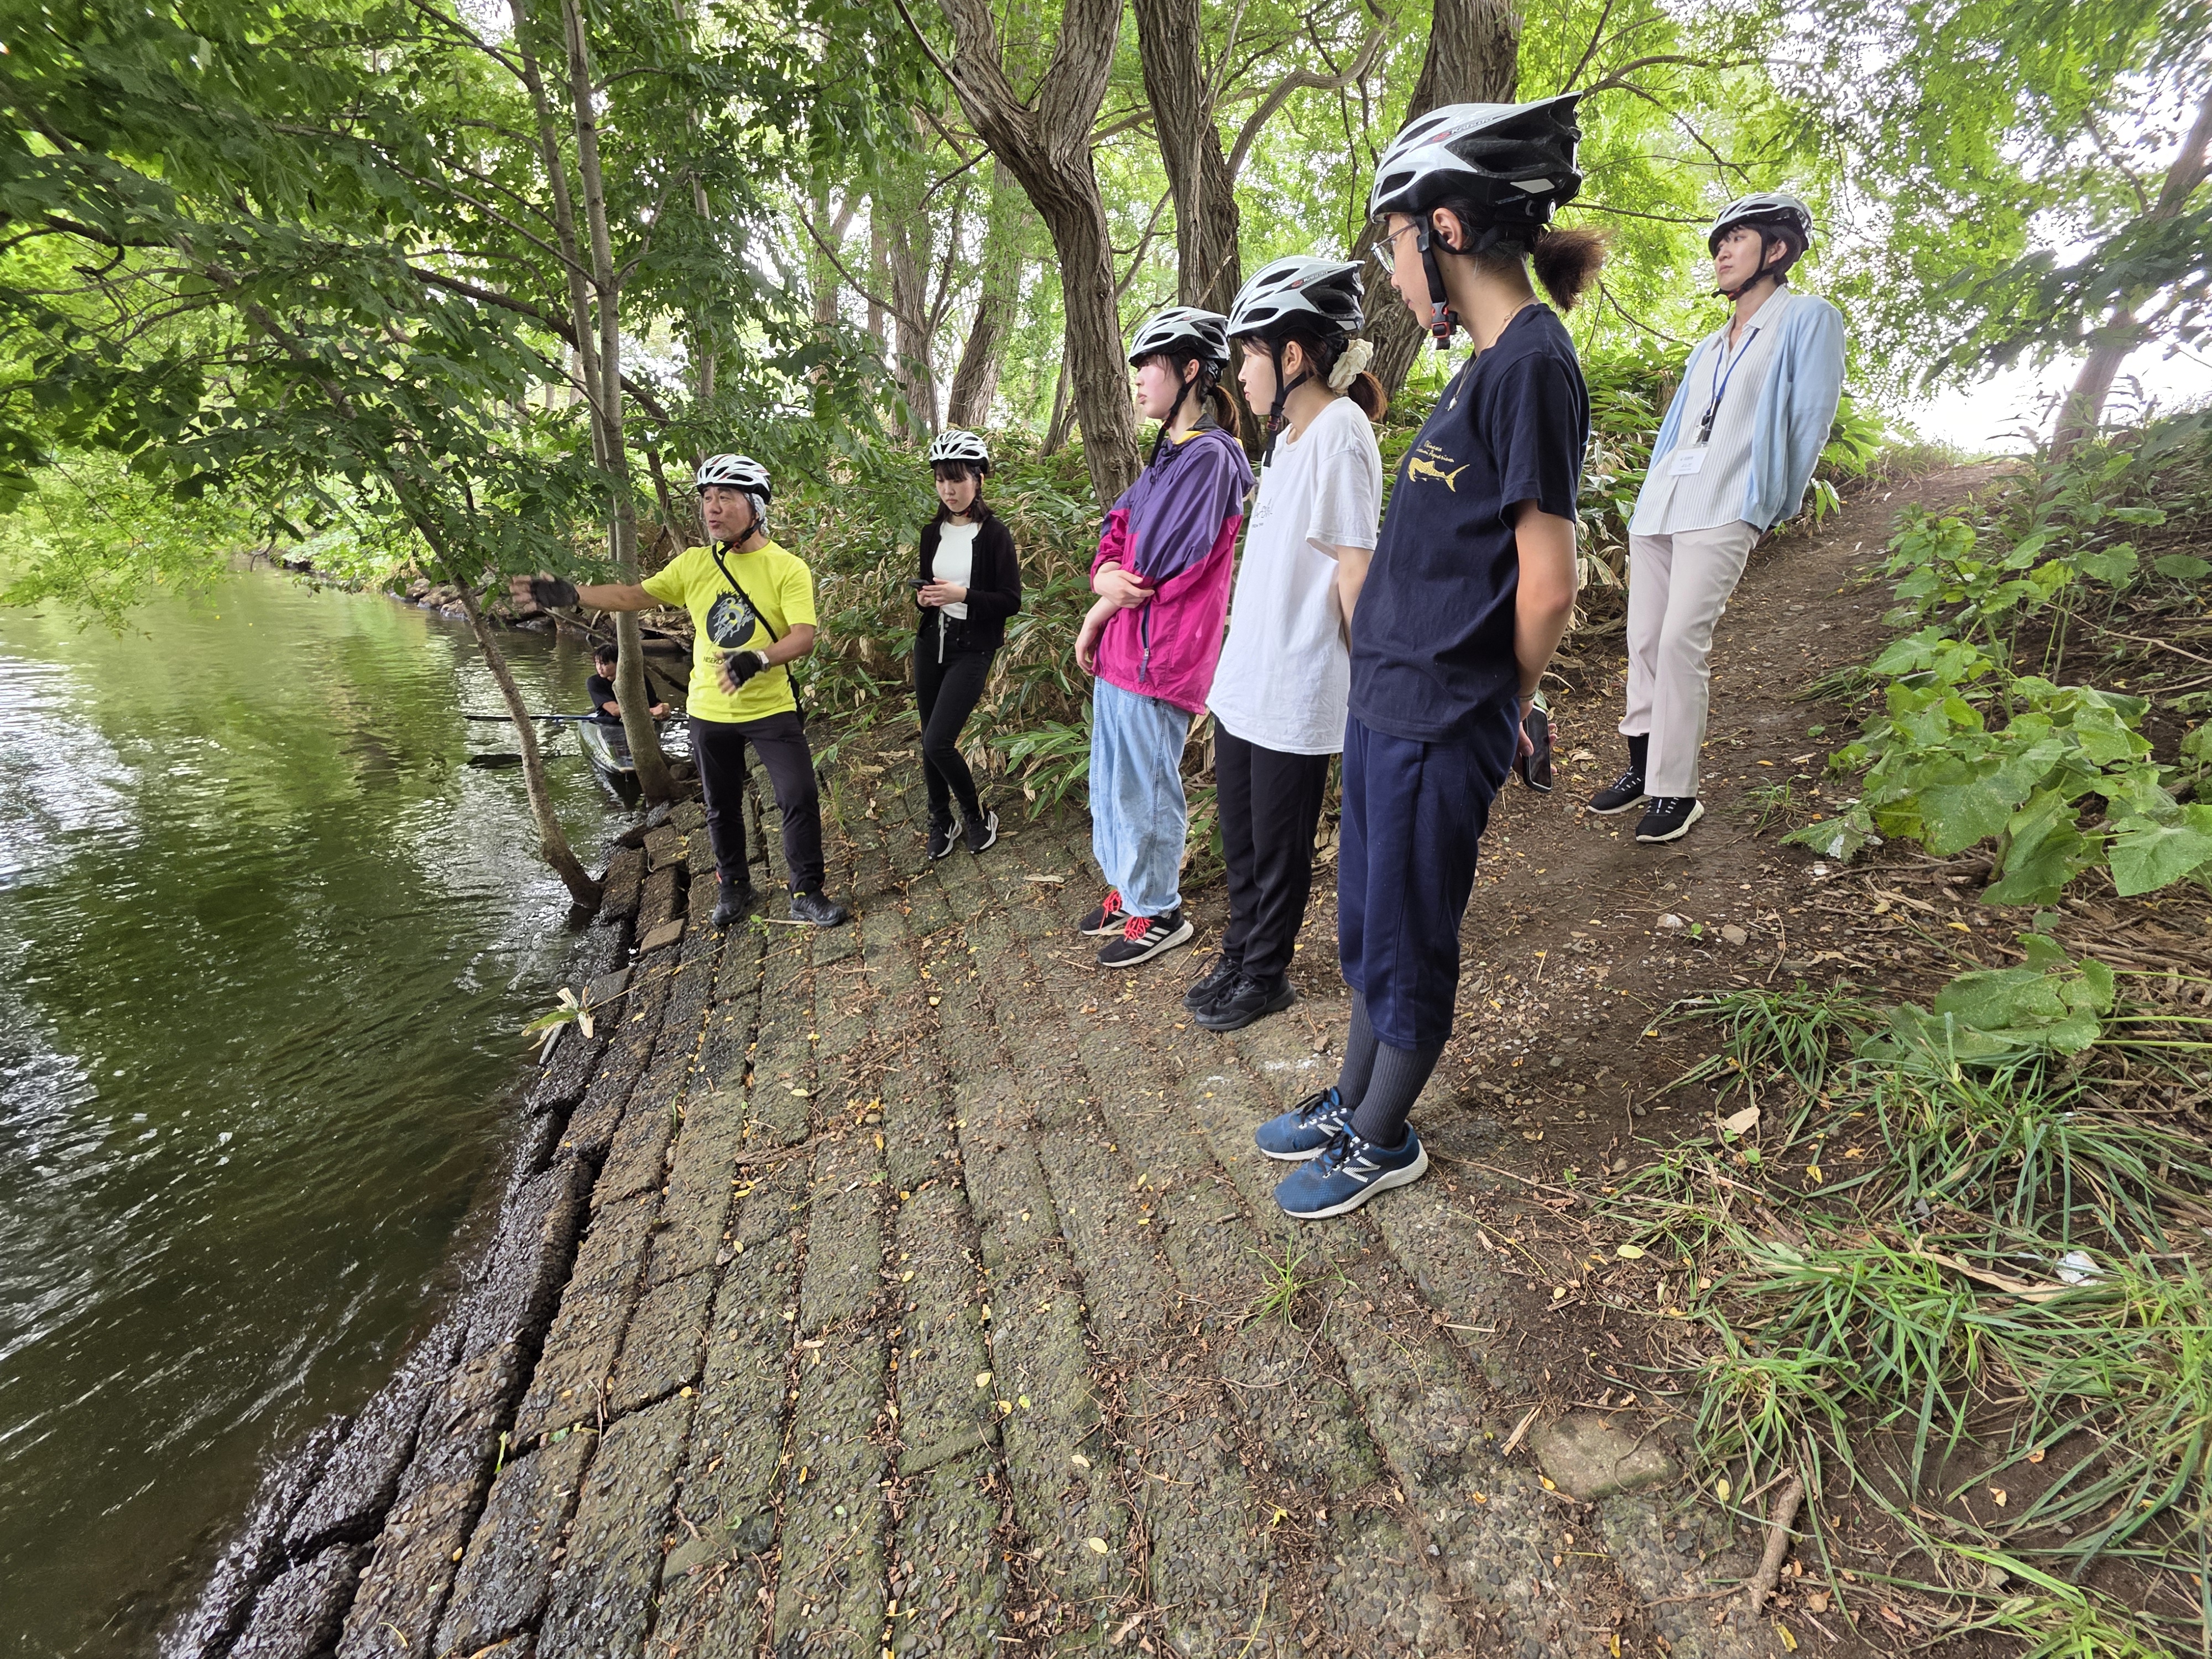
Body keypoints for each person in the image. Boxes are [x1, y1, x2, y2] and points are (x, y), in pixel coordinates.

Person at [1252, 95, 1601, 1218]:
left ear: (1442, 228)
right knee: (1370, 917)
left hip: (1442, 708)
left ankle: (1382, 1133)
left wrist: (1503, 706)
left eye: (1391, 241)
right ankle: (1351, 1097)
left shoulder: (1533, 365)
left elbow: (1549, 579)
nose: (1390, 272)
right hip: (1391, 698)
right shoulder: (1481, 365)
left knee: (1408, 928)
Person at [1589, 192, 1846, 843]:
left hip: (1729, 502)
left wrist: (1775, 504)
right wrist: (1645, 497)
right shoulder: (1708, 344)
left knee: (1681, 641)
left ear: (1778, 249)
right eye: (1718, 243)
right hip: (1663, 506)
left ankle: (1677, 790)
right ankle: (1641, 767)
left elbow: (1810, 417)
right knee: (1645, 639)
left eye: (1736, 239)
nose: (1722, 252)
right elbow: (1679, 430)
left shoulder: (1808, 320)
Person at [513, 454, 851, 929]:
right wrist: (572, 594)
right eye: (707, 499)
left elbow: (802, 636)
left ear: (755, 506)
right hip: (709, 711)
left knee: (797, 796)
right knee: (720, 804)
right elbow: (634, 597)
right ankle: (734, 887)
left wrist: (757, 659)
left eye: (725, 498)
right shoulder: (694, 564)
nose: (712, 509)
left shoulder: (786, 567)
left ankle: (807, 892)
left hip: (771, 707)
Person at [1186, 256, 1386, 1033]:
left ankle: (1266, 972)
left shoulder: (1341, 432)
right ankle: (1240, 951)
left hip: (1300, 683)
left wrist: (1367, 687)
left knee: (1279, 847)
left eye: (1251, 354)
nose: (1243, 370)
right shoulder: (1289, 440)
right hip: (1248, 681)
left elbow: (1354, 574)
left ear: (1293, 356)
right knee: (1241, 838)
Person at [1076, 307, 1255, 969]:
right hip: (1128, 650)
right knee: (1111, 782)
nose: (1139, 379)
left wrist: (1102, 604)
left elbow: (1152, 556)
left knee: (1147, 786)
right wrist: (1103, 579)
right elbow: (1116, 526)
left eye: (1149, 364)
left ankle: (1161, 909)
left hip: (1162, 656)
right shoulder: (1165, 457)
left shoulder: (1211, 457)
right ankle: (1129, 889)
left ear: (1188, 371)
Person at [914, 429, 1022, 861]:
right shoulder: (932, 533)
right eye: (941, 479)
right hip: (930, 644)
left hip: (971, 649)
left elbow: (1011, 601)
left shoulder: (995, 535)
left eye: (957, 479)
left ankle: (975, 815)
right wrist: (924, 597)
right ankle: (940, 818)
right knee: (928, 737)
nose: (949, 490)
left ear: (978, 479)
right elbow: (928, 590)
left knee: (938, 740)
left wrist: (962, 597)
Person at [584, 641, 667, 724]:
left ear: (619, 663)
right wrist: (651, 711)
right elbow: (615, 710)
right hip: (610, 724)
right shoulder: (594, 682)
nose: (599, 668)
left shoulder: (639, 678)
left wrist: (663, 710)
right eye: (597, 663)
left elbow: (654, 703)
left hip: (639, 722)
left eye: (604, 664)